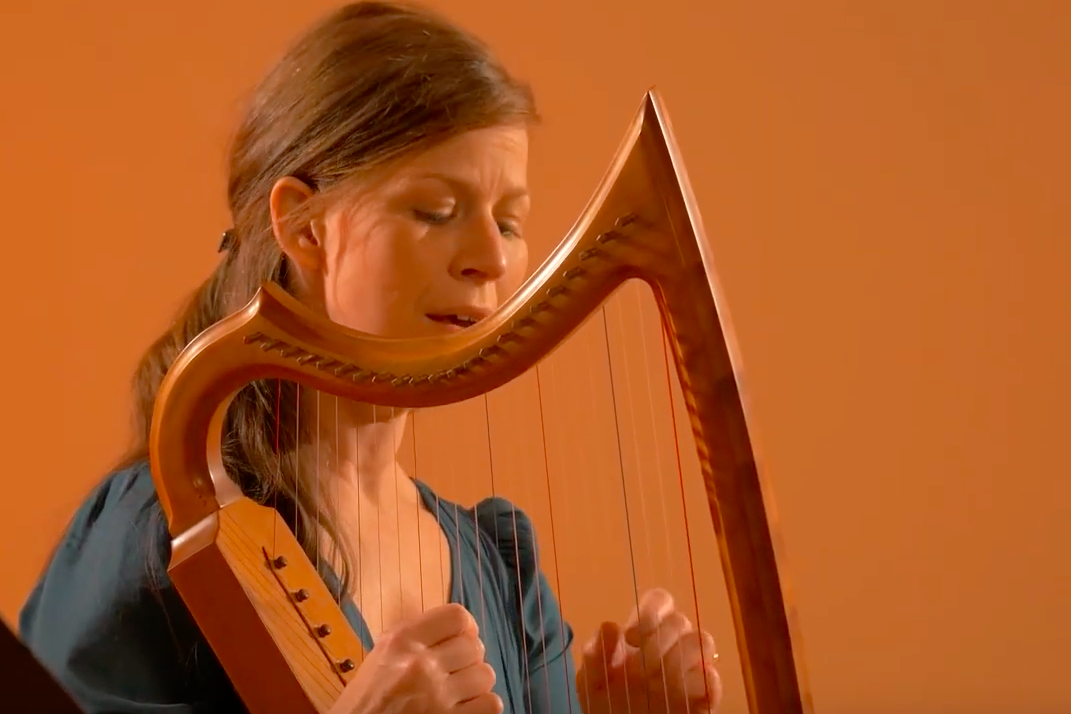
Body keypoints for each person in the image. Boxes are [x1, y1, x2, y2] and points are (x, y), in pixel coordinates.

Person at [19, 2, 723, 713]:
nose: (488, 258)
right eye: (434, 211)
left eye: (508, 222)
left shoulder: (500, 571)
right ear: (306, 227)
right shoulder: (159, 534)